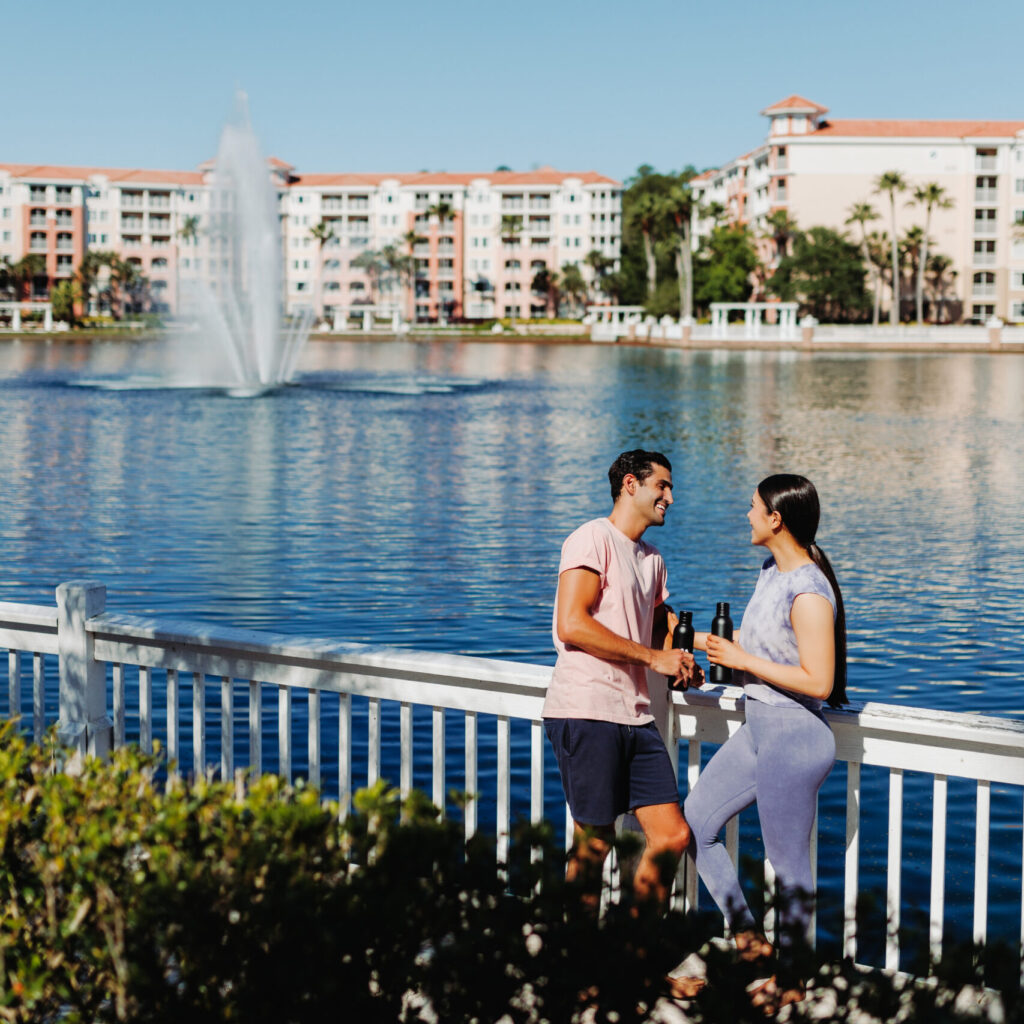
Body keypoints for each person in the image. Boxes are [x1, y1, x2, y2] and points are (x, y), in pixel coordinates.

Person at [683, 474, 847, 1014]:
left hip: (794, 738)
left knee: (788, 865)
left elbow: (819, 682)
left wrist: (743, 660)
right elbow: (770, 657)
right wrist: (730, 659)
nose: (746, 514)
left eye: (752, 507)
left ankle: (793, 981)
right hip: (759, 728)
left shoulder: (808, 587)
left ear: (776, 519)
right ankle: (750, 940)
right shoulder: (769, 571)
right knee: (698, 821)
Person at [542, 449, 701, 912]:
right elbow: (573, 623)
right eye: (662, 486)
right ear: (630, 484)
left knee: (672, 835)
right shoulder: (592, 538)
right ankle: (580, 971)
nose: (670, 497)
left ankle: (634, 959)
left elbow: (659, 630)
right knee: (595, 844)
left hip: (634, 714)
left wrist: (688, 658)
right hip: (587, 708)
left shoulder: (652, 561)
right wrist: (655, 658)